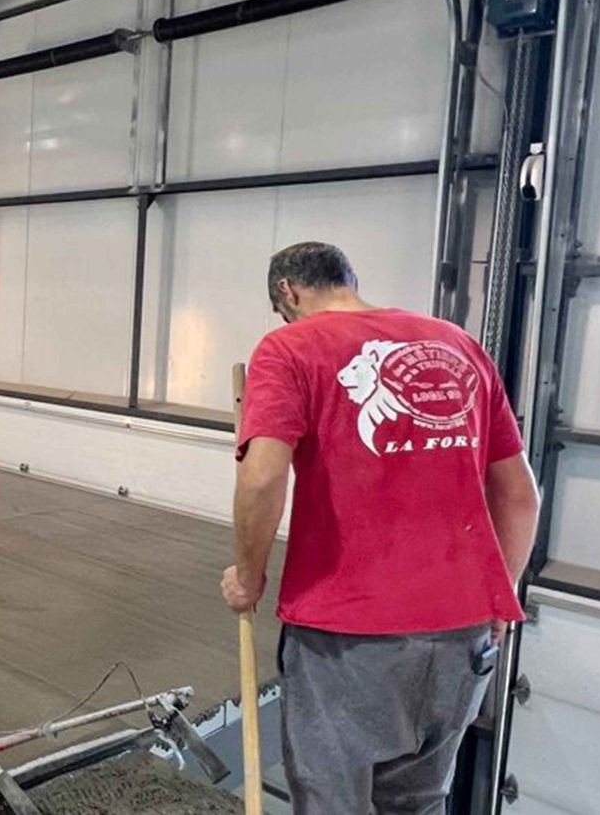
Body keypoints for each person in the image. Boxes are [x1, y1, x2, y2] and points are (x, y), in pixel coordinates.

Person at [220, 242, 541, 815]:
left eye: (281, 308)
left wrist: (249, 576)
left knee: (332, 804)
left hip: (349, 638)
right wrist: (501, 595)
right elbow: (520, 496)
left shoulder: (290, 347)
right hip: (462, 637)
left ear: (287, 291)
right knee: (417, 803)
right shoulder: (456, 343)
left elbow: (263, 477)